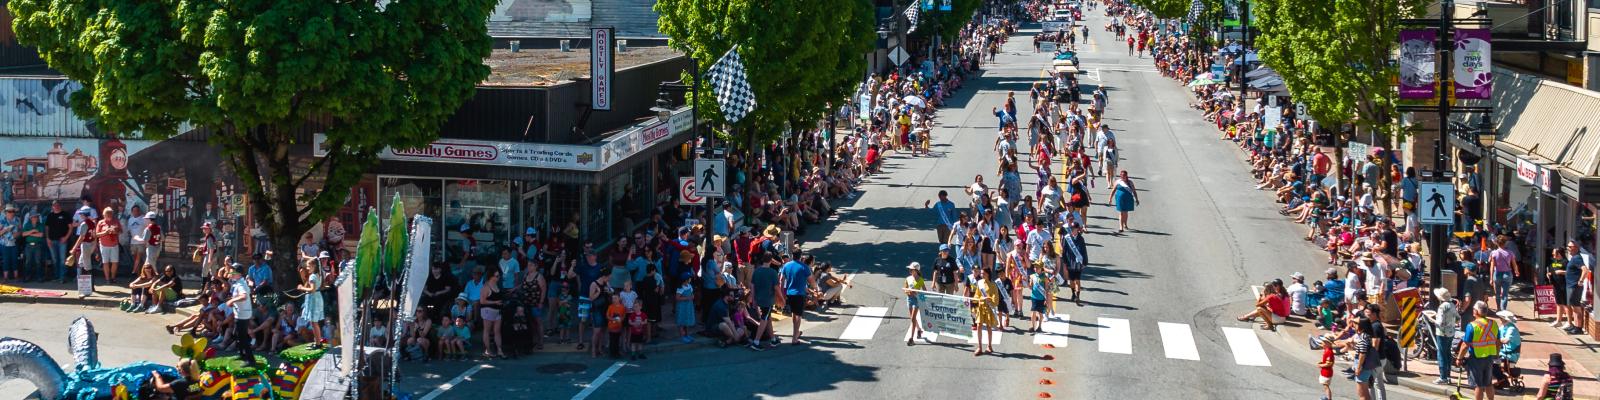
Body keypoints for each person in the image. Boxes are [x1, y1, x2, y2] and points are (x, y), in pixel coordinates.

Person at [1456, 301, 1500, 400]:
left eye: (1473, 309)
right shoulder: (1494, 324)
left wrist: (1459, 358)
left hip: (1476, 358)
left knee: (1478, 385)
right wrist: (1496, 355)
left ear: (1476, 311)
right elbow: (1498, 341)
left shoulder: (1472, 326)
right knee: (1488, 383)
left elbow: (1464, 345)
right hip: (1489, 357)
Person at [223, 267, 256, 365]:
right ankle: (242, 354)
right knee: (238, 335)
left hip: (243, 315)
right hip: (240, 313)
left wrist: (232, 300)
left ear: (240, 274)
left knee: (243, 337)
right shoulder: (238, 282)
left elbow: (244, 296)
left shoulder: (241, 284)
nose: (231, 273)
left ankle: (250, 360)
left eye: (234, 272)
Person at [779, 252, 814, 344]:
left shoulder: (786, 265)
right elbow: (811, 280)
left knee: (794, 313)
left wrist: (782, 293)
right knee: (798, 315)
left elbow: (781, 280)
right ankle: (795, 338)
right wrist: (816, 288)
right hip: (799, 293)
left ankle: (796, 332)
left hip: (789, 293)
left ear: (792, 256)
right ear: (800, 256)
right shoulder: (804, 267)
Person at [1430, 288, 1460, 385]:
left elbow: (1440, 323)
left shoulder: (1442, 307)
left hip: (1442, 333)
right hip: (1451, 332)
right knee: (1447, 354)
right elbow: (1458, 318)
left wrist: (1431, 319)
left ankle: (1443, 377)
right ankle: (1448, 376)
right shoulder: (1452, 305)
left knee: (1441, 354)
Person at [971, 266, 999, 356]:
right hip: (980, 307)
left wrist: (990, 299)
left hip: (989, 308)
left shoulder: (993, 285)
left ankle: (989, 346)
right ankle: (979, 347)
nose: (982, 275)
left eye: (983, 273)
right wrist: (980, 299)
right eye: (981, 273)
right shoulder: (980, 283)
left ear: (988, 274)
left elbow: (996, 299)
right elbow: (976, 296)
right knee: (979, 325)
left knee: (988, 327)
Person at [479, 270, 506, 359]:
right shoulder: (486, 287)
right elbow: (482, 301)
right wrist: (495, 302)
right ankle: (488, 351)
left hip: (497, 311)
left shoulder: (496, 285)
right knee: (487, 331)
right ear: (491, 276)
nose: (498, 277)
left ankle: (499, 350)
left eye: (499, 276)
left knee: (497, 331)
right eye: (496, 276)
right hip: (488, 310)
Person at [298, 261, 326, 346]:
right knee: (314, 322)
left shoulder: (312, 276)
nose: (307, 268)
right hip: (317, 298)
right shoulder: (319, 274)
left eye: (309, 266)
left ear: (314, 266)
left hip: (314, 300)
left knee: (314, 322)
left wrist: (302, 287)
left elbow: (312, 289)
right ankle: (317, 341)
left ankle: (318, 343)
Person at [1488, 236, 1518, 311]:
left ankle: (1498, 308)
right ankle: (1503, 310)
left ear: (1497, 243)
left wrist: (1491, 278)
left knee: (1497, 294)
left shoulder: (1494, 253)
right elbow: (1514, 264)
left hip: (1497, 273)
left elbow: (1491, 267)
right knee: (1505, 295)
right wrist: (1516, 271)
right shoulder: (1510, 252)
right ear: (1505, 243)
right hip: (1507, 274)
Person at [95, 207, 122, 283]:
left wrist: (115, 232)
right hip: (104, 245)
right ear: (104, 214)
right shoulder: (100, 222)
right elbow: (96, 235)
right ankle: (107, 279)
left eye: (110, 213)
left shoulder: (116, 221)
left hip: (114, 245)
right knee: (105, 262)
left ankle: (113, 278)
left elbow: (120, 231)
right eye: (107, 213)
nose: (109, 215)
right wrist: (105, 232)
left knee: (115, 262)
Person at [904, 262, 928, 345]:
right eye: (910, 269)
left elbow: (925, 291)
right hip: (909, 299)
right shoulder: (908, 278)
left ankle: (911, 338)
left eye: (912, 269)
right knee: (912, 317)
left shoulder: (920, 280)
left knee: (913, 318)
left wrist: (917, 293)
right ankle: (919, 330)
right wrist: (908, 292)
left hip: (917, 300)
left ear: (916, 270)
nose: (910, 271)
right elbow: (905, 288)